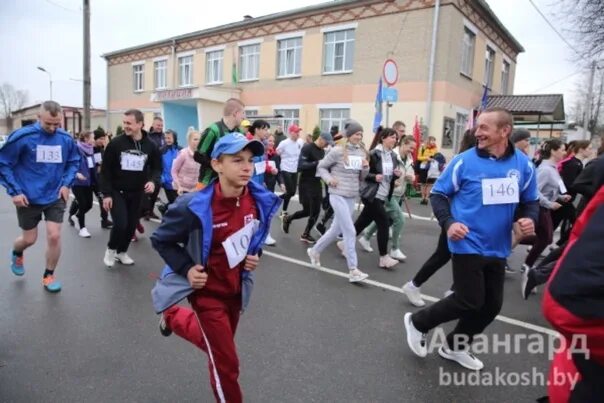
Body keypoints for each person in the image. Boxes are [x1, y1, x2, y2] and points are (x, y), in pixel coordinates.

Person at [403, 107, 538, 370]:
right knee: (469, 299)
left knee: (491, 307)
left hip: (498, 245)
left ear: (504, 131)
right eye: (478, 127)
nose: (478, 132)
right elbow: (439, 195)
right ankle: (418, 323)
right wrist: (449, 223)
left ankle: (454, 347)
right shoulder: (464, 161)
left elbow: (529, 200)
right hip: (466, 241)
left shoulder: (522, 165)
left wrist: (527, 218)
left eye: (484, 128)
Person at [151, 133, 281, 403]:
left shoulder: (257, 199)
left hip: (236, 290)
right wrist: (187, 269)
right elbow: (161, 239)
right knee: (226, 364)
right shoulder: (193, 205)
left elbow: (252, 236)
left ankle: (172, 317)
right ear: (217, 164)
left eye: (249, 160)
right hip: (206, 293)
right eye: (237, 160)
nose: (247, 167)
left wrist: (253, 256)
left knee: (216, 346)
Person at [0, 101, 80, 292]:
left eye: (56, 123)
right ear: (38, 118)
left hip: (54, 195)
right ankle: (17, 252)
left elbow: (73, 161)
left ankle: (48, 275)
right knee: (29, 239)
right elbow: (3, 163)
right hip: (28, 197)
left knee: (54, 236)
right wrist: (15, 191)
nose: (53, 128)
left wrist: (66, 184)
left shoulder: (65, 139)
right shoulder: (23, 137)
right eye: (48, 124)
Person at [542, 184, 604, 403]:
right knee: (473, 301)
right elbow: (570, 299)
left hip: (577, 373)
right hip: (582, 380)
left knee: (486, 304)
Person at [401, 128, 476, 307]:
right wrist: (448, 219)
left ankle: (450, 290)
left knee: (456, 256)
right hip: (457, 220)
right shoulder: (461, 162)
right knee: (447, 255)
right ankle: (416, 286)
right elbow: (440, 192)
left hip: (472, 221)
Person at [307, 120, 370, 283]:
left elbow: (362, 177)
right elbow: (321, 167)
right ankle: (353, 270)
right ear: (349, 135)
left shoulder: (362, 152)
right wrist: (329, 180)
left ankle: (314, 251)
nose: (359, 136)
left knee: (335, 230)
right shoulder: (337, 150)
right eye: (357, 134)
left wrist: (366, 167)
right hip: (337, 194)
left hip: (351, 195)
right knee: (350, 230)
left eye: (361, 134)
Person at [101, 109, 162, 268]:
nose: (125, 126)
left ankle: (122, 252)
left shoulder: (151, 145)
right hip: (117, 191)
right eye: (124, 123)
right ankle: (111, 249)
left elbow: (157, 168)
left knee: (130, 225)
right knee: (121, 223)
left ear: (140, 124)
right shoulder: (116, 144)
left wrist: (153, 181)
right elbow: (105, 170)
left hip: (137, 193)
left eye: (129, 123)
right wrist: (106, 194)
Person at [360, 135, 416, 260]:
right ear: (403, 144)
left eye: (413, 149)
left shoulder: (409, 158)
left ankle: (365, 236)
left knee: (385, 219)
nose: (412, 151)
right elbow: (380, 172)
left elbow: (409, 174)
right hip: (387, 194)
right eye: (410, 148)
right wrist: (392, 180)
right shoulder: (391, 155)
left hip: (398, 194)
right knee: (399, 220)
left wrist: (411, 178)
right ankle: (394, 249)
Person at [353, 127, 401, 269]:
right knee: (384, 222)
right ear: (383, 138)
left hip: (383, 193)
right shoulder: (373, 154)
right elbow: (362, 173)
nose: (395, 140)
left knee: (363, 221)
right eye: (392, 137)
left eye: (395, 138)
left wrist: (395, 174)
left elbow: (389, 175)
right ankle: (383, 257)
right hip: (372, 194)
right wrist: (374, 176)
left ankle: (344, 243)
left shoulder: (392, 156)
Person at [522, 139, 570, 271]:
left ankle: (525, 261)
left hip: (544, 207)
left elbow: (549, 189)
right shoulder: (546, 170)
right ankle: (526, 264)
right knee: (546, 238)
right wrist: (549, 204)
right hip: (540, 207)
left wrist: (560, 197)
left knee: (545, 238)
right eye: (562, 149)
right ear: (553, 151)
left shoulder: (552, 168)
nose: (565, 152)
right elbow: (535, 190)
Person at [282, 131, 333, 244]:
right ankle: (288, 218)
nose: (327, 145)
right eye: (327, 143)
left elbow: (321, 168)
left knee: (316, 211)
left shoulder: (322, 151)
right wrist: (316, 163)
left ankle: (306, 234)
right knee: (307, 211)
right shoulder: (307, 148)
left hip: (316, 183)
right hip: (306, 184)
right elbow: (300, 166)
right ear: (321, 139)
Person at [196, 98, 246, 187]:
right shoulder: (213, 130)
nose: (244, 117)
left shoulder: (240, 133)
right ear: (235, 113)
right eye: (243, 113)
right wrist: (219, 166)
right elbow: (198, 156)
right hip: (208, 182)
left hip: (231, 182)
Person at [552, 140, 593, 246]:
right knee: (575, 222)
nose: (591, 151)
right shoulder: (574, 164)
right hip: (565, 199)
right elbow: (568, 183)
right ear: (581, 149)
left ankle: (555, 244)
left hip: (567, 199)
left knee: (554, 223)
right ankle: (560, 245)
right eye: (589, 148)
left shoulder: (578, 163)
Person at [249, 119, 278, 246]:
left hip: (259, 184)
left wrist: (270, 169)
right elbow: (248, 164)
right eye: (264, 129)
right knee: (259, 210)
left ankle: (261, 235)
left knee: (261, 210)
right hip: (250, 183)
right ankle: (259, 235)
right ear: (256, 130)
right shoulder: (249, 144)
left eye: (267, 129)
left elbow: (262, 163)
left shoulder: (262, 144)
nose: (267, 132)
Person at [69, 131, 97, 238]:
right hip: (78, 182)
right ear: (85, 138)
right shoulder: (76, 149)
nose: (93, 140)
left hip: (88, 181)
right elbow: (70, 163)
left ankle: (76, 216)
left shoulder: (90, 150)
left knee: (89, 205)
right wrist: (76, 173)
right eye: (92, 138)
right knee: (82, 203)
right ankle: (82, 228)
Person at [276, 124, 303, 218]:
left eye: (298, 132)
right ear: (291, 133)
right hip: (285, 168)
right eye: (296, 132)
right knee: (290, 191)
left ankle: (282, 208)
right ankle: (280, 206)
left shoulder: (300, 142)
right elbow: (277, 152)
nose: (298, 134)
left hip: (294, 170)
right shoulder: (284, 143)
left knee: (292, 192)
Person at [143, 116, 166, 220]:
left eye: (161, 125)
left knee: (156, 191)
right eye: (158, 125)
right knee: (148, 190)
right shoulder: (148, 137)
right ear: (153, 125)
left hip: (161, 167)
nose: (160, 127)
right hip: (149, 168)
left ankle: (150, 210)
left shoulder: (164, 136)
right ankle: (145, 211)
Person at [170, 127, 201, 196]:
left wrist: (198, 187)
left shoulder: (201, 155)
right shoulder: (183, 153)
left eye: (199, 139)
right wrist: (179, 186)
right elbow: (174, 171)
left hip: (194, 190)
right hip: (181, 189)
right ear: (189, 141)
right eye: (195, 139)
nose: (198, 141)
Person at [92, 128, 113, 228]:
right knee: (84, 203)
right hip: (87, 179)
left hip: (99, 180)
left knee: (102, 199)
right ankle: (73, 214)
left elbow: (104, 164)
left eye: (103, 138)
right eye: (100, 138)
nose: (102, 140)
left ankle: (104, 220)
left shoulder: (102, 150)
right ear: (94, 139)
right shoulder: (89, 149)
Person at [158, 129, 181, 207]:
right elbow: (158, 166)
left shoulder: (180, 150)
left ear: (174, 138)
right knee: (173, 202)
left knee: (179, 202)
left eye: (169, 138)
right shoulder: (161, 150)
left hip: (179, 182)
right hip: (167, 182)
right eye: (166, 138)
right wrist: (162, 178)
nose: (167, 140)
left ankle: (164, 208)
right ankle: (166, 210)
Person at [416, 136, 439, 205]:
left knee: (430, 184)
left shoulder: (435, 148)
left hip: (432, 168)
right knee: (423, 183)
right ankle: (422, 197)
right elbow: (418, 157)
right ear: (428, 141)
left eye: (434, 141)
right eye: (432, 140)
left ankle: (426, 198)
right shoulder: (423, 147)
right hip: (424, 167)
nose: (433, 142)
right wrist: (427, 158)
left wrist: (434, 159)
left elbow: (437, 157)